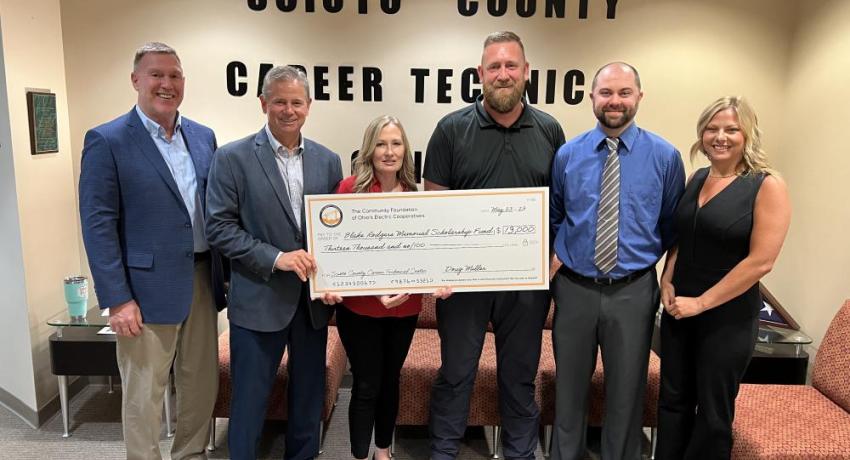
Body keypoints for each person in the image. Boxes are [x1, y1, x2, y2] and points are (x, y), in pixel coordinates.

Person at [79, 42, 226, 460]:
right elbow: (98, 224)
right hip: (143, 290)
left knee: (201, 382)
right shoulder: (107, 140)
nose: (167, 84)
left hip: (201, 278)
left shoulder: (202, 136)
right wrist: (117, 298)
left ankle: (190, 453)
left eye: (175, 75)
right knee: (145, 390)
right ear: (136, 80)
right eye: (157, 74)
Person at [423, 31, 565, 460]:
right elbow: (434, 207)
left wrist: (553, 261)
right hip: (465, 284)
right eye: (494, 67)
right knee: (456, 373)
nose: (503, 75)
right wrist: (441, 270)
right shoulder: (450, 129)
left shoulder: (550, 130)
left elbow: (561, 205)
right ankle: (443, 452)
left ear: (526, 72)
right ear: (480, 74)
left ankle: (520, 455)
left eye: (511, 66)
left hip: (525, 283)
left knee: (520, 376)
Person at [205, 65, 343, 460]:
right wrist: (277, 258)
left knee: (308, 395)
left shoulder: (328, 160)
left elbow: (333, 229)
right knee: (248, 398)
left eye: (296, 102)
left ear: (309, 106)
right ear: (263, 103)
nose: (288, 110)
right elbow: (219, 227)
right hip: (258, 299)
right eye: (279, 101)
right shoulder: (232, 157)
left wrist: (335, 277)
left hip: (312, 305)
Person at [549, 62, 685, 460]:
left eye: (624, 92)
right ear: (591, 97)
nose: (615, 101)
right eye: (606, 92)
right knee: (569, 391)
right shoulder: (567, 155)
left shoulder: (665, 157)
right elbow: (556, 217)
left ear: (639, 97)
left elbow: (671, 225)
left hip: (633, 291)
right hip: (574, 290)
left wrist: (659, 278)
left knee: (627, 394)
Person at [655, 96, 791, 459]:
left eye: (731, 129)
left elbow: (761, 261)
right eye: (712, 129)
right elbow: (683, 236)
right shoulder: (698, 177)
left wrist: (701, 303)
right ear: (701, 135)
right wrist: (666, 280)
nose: (720, 137)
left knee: (713, 413)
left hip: (726, 317)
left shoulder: (767, 184)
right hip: (679, 311)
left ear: (747, 134)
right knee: (672, 402)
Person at [319, 115, 423, 460]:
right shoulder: (349, 190)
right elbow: (337, 252)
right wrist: (373, 288)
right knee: (366, 384)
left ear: (405, 149)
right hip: (360, 308)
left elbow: (421, 252)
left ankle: (383, 452)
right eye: (381, 143)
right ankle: (359, 455)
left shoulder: (415, 194)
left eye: (395, 143)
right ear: (369, 149)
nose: (389, 151)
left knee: (391, 380)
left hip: (405, 308)